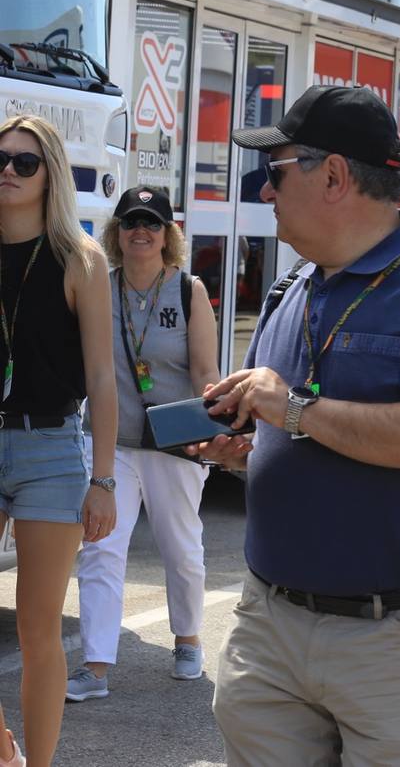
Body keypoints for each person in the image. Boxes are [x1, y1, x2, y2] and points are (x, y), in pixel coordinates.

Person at [199, 85, 400, 766]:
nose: (264, 190)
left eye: (275, 171)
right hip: (269, 626)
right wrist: (238, 454)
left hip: (392, 641)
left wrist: (295, 410)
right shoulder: (289, 289)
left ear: (334, 176)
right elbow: (288, 438)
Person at [66, 187, 219, 703]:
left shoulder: (187, 291)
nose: (141, 231)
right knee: (101, 548)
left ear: (167, 234)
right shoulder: (98, 288)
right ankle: (95, 666)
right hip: (112, 443)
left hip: (174, 443)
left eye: (152, 223)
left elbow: (204, 371)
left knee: (182, 550)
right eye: (131, 221)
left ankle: (188, 639)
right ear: (116, 231)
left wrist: (213, 435)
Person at [0, 115, 116, 767]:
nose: (9, 171)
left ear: (51, 175)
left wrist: (103, 479)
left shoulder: (81, 259)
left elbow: (102, 377)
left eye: (25, 162)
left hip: (50, 449)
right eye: (1, 159)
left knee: (37, 628)